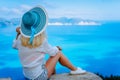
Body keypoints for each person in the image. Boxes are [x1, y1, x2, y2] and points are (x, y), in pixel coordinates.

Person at [12, 6, 86, 80]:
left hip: (27, 76)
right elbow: (53, 52)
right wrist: (57, 48)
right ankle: (75, 70)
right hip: (39, 77)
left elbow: (14, 46)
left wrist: (19, 33)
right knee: (58, 53)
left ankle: (56, 74)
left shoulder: (19, 39)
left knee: (47, 62)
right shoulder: (41, 41)